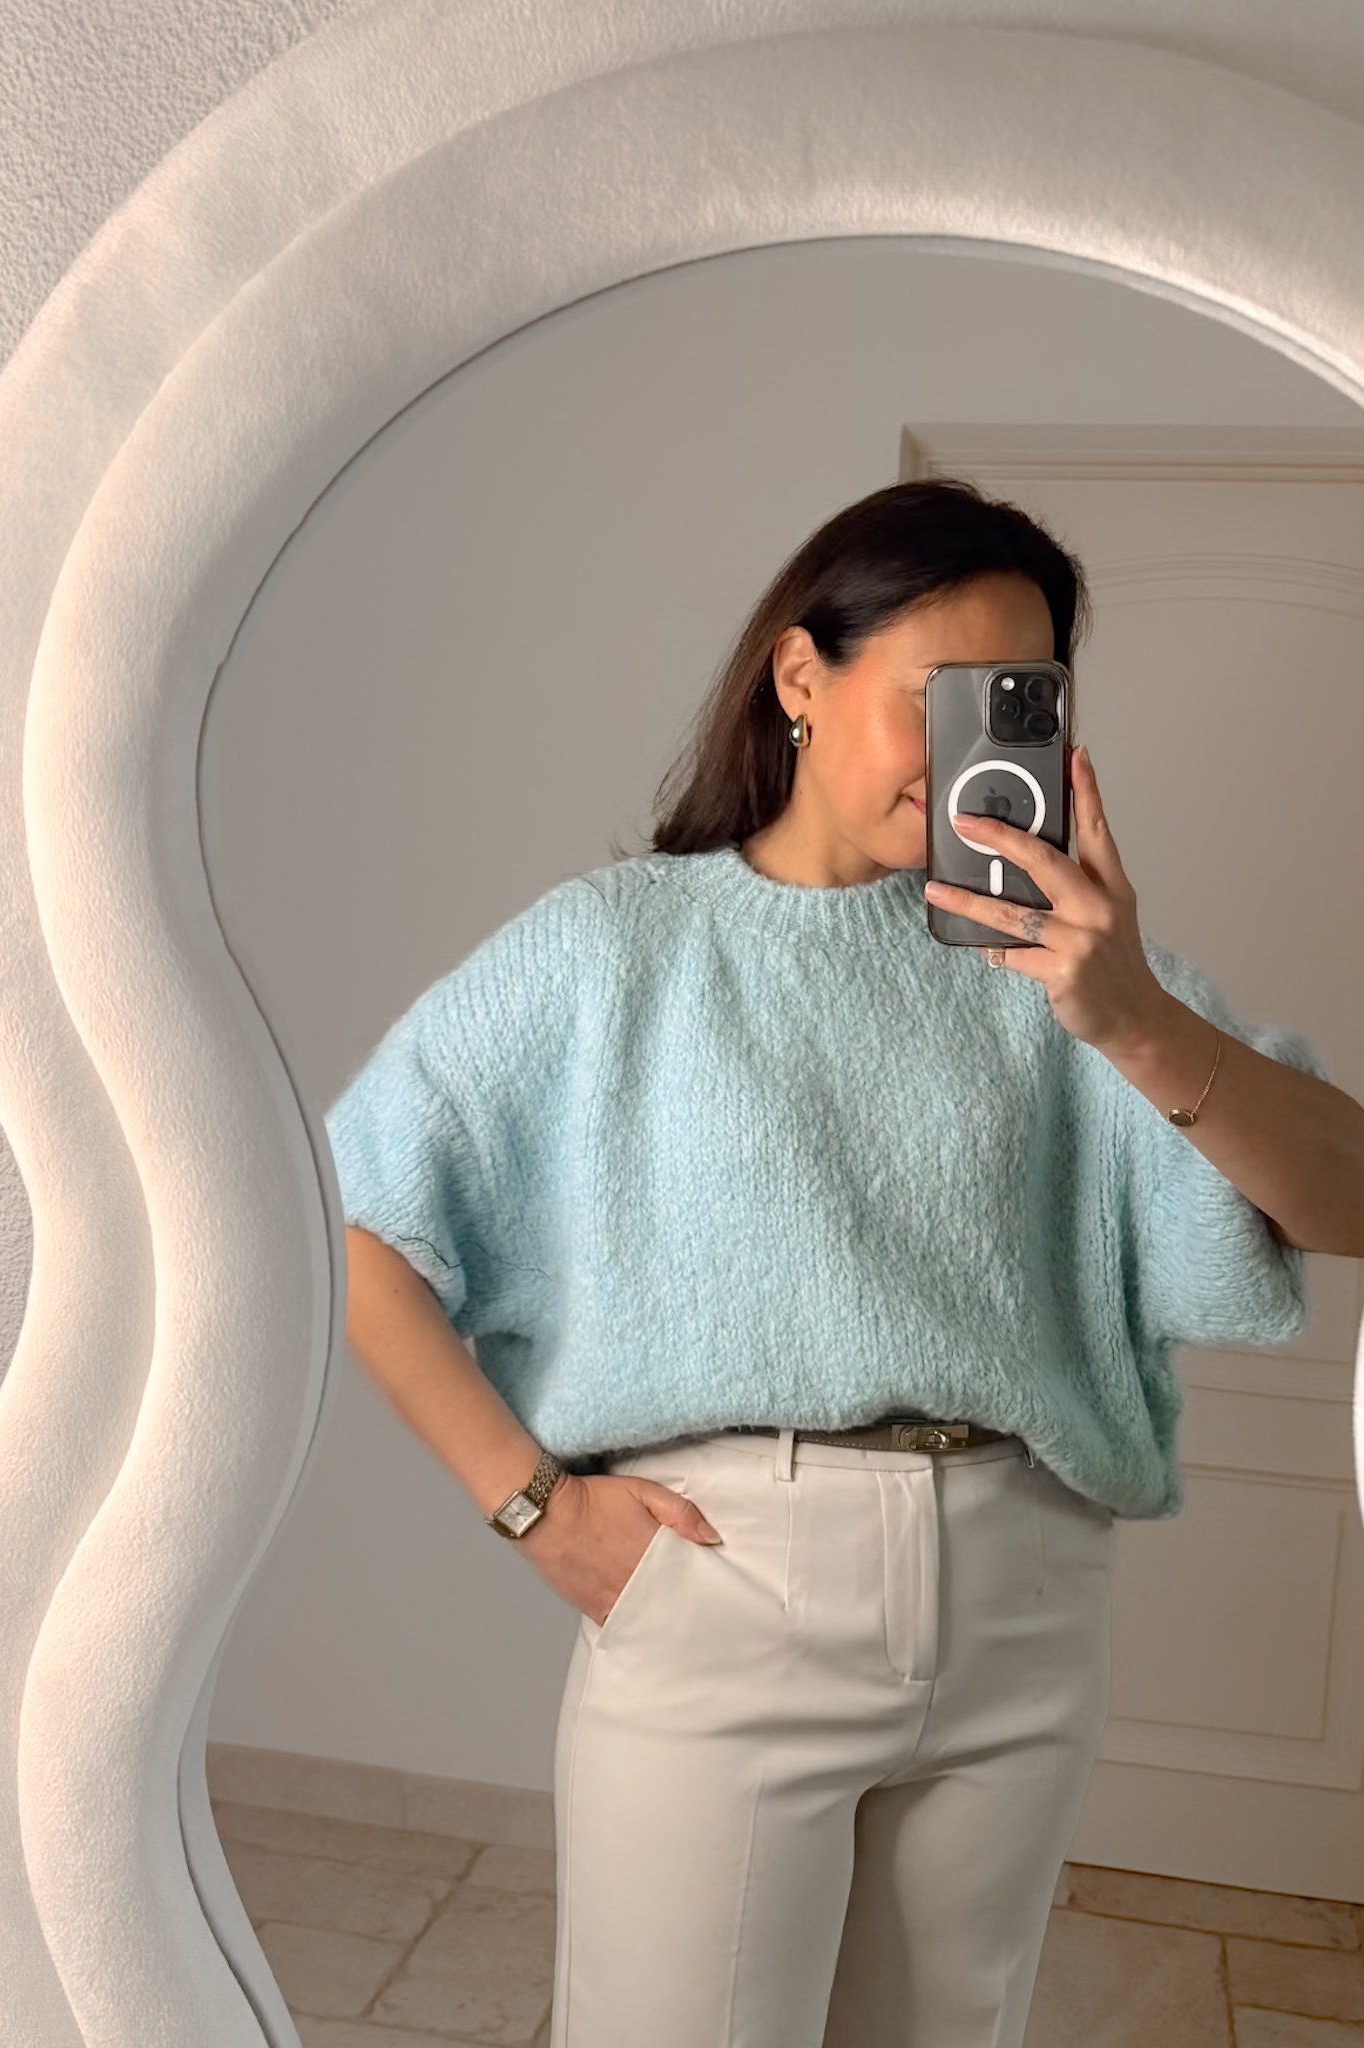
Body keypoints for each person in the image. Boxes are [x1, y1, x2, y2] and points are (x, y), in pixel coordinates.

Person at [326, 477, 1333, 2048]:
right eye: (935, 696)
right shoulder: (616, 946)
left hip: (1023, 1591)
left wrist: (1130, 1014)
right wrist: (535, 1509)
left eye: (1013, 703)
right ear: (800, 676)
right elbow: (354, 1224)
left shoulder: (1064, 969)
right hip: (728, 1582)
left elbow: (1341, 1198)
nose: (965, 754)